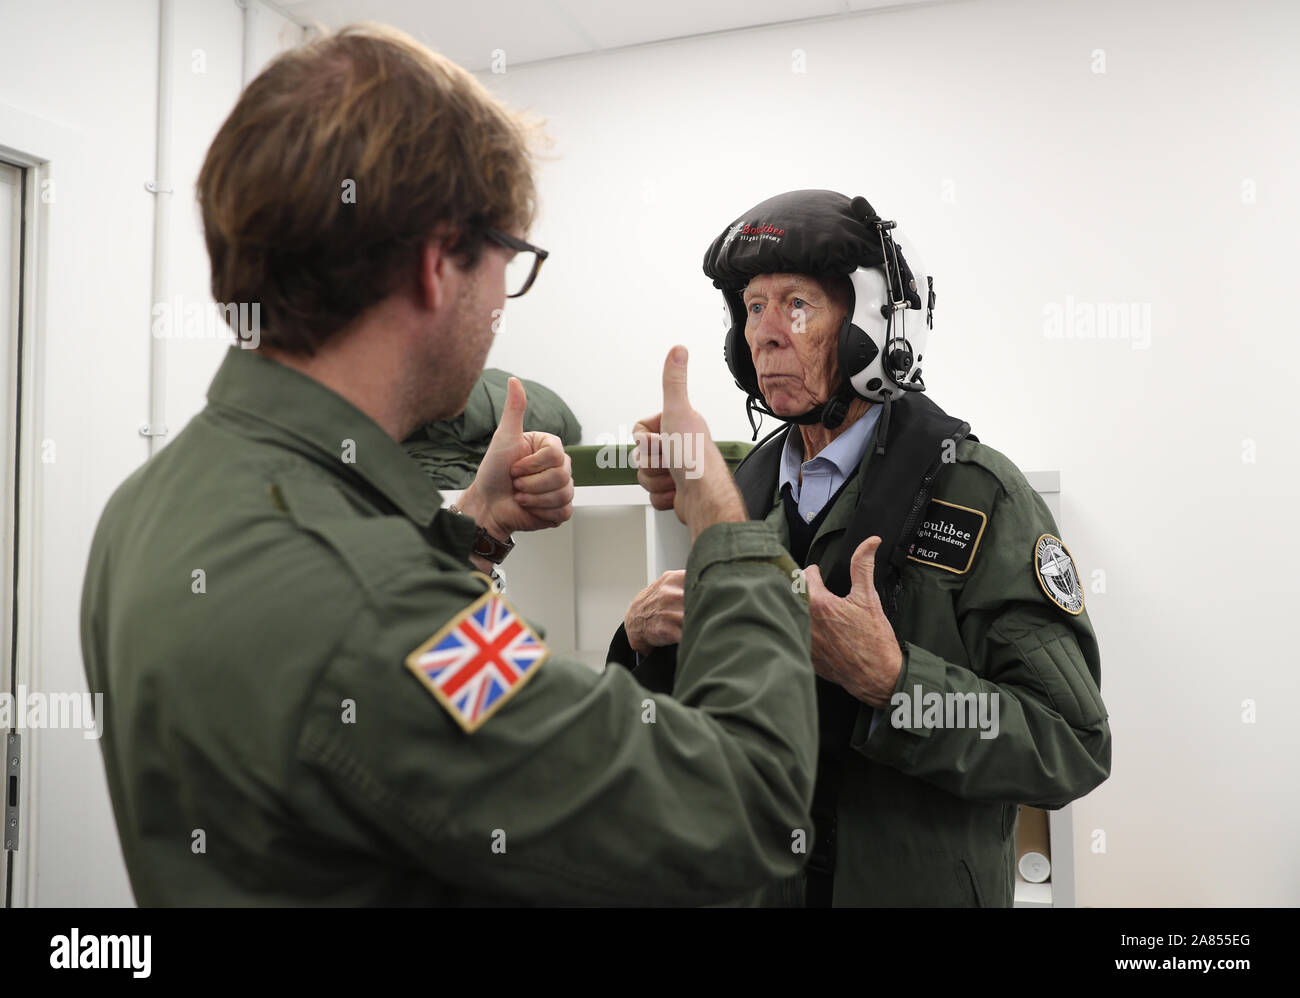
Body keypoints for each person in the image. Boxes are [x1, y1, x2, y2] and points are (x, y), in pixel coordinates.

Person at [79, 25, 818, 906]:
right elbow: (746, 811)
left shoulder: (149, 503)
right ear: (436, 265)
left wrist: (473, 528)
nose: (503, 299)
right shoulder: (384, 608)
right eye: (508, 262)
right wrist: (717, 517)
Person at [610, 189, 1111, 907]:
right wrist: (638, 643)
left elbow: (1073, 744)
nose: (766, 334)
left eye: (797, 305)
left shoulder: (979, 495)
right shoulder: (739, 496)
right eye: (753, 308)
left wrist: (896, 685)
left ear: (872, 328)